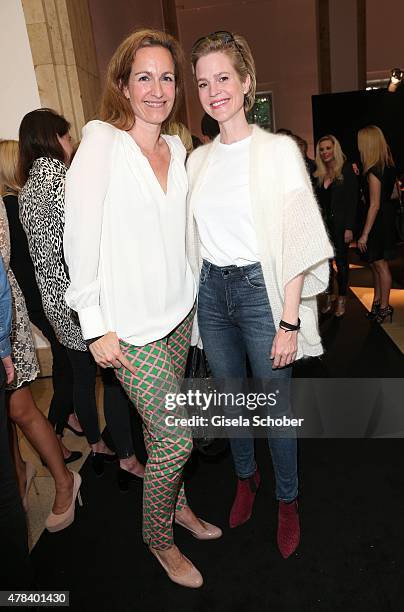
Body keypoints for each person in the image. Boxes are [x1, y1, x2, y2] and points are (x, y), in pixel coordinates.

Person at [64, 28, 221, 588]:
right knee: (178, 437)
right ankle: (158, 536)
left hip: (178, 317)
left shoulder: (177, 148)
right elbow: (76, 239)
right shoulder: (102, 142)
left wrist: (198, 314)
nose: (157, 88)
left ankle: (177, 505)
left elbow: (187, 238)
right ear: (124, 86)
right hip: (129, 330)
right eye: (144, 77)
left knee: (163, 435)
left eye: (167, 77)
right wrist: (94, 325)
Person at [188, 30, 333, 558]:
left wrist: (290, 320)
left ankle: (288, 499)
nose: (214, 91)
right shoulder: (197, 162)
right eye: (204, 83)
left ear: (246, 83)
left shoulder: (276, 153)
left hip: (259, 292)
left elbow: (297, 237)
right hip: (212, 293)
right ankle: (245, 478)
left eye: (223, 78)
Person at [18, 109, 145, 480]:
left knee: (80, 376)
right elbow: (84, 244)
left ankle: (95, 443)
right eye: (68, 137)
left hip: (54, 300)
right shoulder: (65, 180)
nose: (72, 144)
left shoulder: (25, 190)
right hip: (81, 299)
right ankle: (126, 455)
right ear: (54, 138)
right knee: (112, 379)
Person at [0, 138, 82, 462]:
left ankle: (61, 427)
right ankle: (56, 427)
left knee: (66, 361)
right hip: (36, 297)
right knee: (66, 363)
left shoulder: (16, 202)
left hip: (34, 297)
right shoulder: (11, 206)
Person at [314, 134, 358, 317]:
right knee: (326, 263)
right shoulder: (319, 173)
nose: (325, 152)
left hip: (341, 226)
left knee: (341, 262)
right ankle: (330, 295)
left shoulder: (346, 170)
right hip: (324, 227)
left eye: (328, 148)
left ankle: (342, 298)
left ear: (335, 149)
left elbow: (352, 201)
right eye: (322, 149)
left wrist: (349, 227)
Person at [357, 126, 397, 324]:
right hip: (384, 219)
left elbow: (374, 204)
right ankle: (378, 303)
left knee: (380, 266)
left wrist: (364, 234)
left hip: (376, 223)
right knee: (375, 264)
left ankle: (384, 308)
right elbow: (394, 195)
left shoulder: (374, 171)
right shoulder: (387, 166)